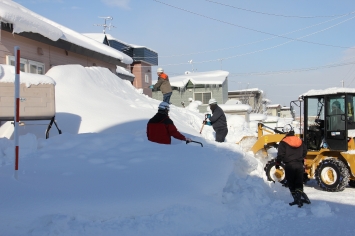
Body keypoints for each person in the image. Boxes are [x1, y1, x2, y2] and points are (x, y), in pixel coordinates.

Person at [276, 125, 310, 208]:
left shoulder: (283, 142)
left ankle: (297, 200)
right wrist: (301, 158)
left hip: (289, 165)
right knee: (298, 182)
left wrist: (277, 163)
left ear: (285, 132)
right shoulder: (300, 141)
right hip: (299, 165)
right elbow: (305, 151)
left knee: (291, 183)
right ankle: (303, 198)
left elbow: (280, 154)